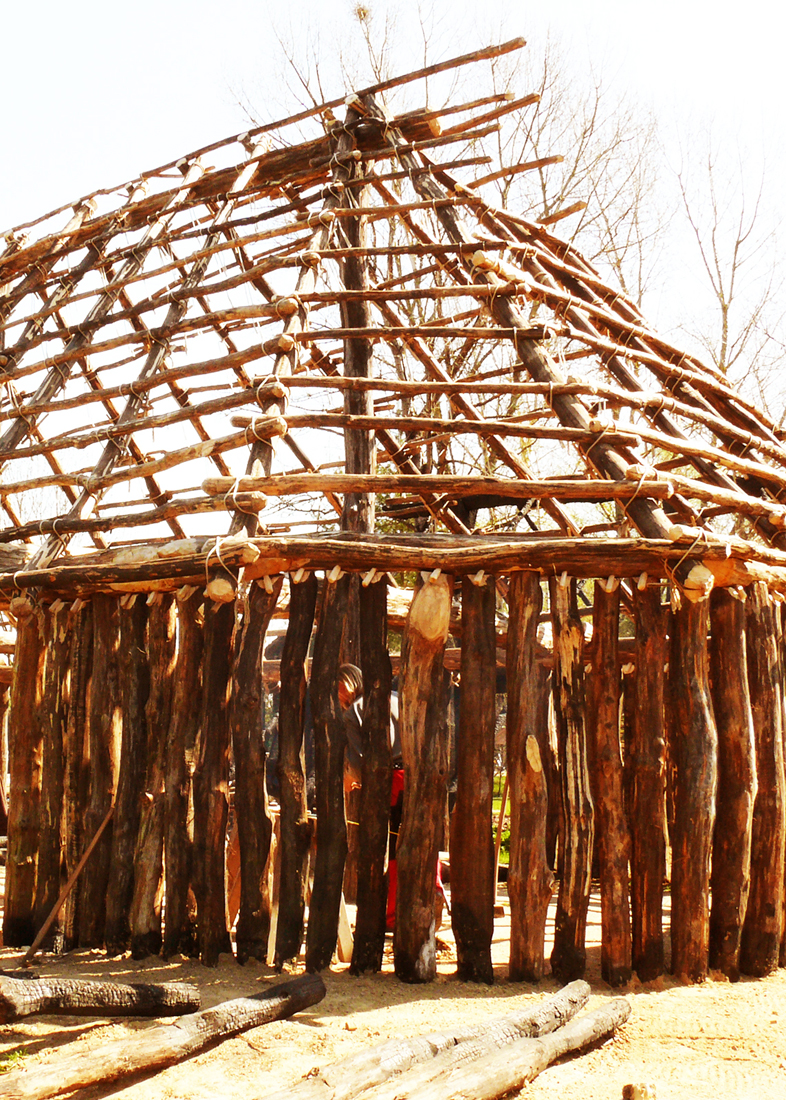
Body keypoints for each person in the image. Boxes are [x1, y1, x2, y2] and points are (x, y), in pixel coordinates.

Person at [338, 663, 403, 930]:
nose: (339, 695)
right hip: (416, 778)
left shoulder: (354, 711)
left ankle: (392, 916)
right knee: (411, 842)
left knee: (391, 849)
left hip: (391, 783)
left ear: (352, 683)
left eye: (340, 688)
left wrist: (350, 777)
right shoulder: (395, 697)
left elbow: (359, 761)